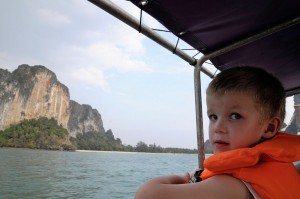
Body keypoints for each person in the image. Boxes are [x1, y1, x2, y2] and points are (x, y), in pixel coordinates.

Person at [134, 66, 300, 199]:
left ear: (270, 128)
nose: (217, 127)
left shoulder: (232, 185)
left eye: (235, 116)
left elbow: (148, 195)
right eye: (213, 116)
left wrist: (186, 177)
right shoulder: (278, 166)